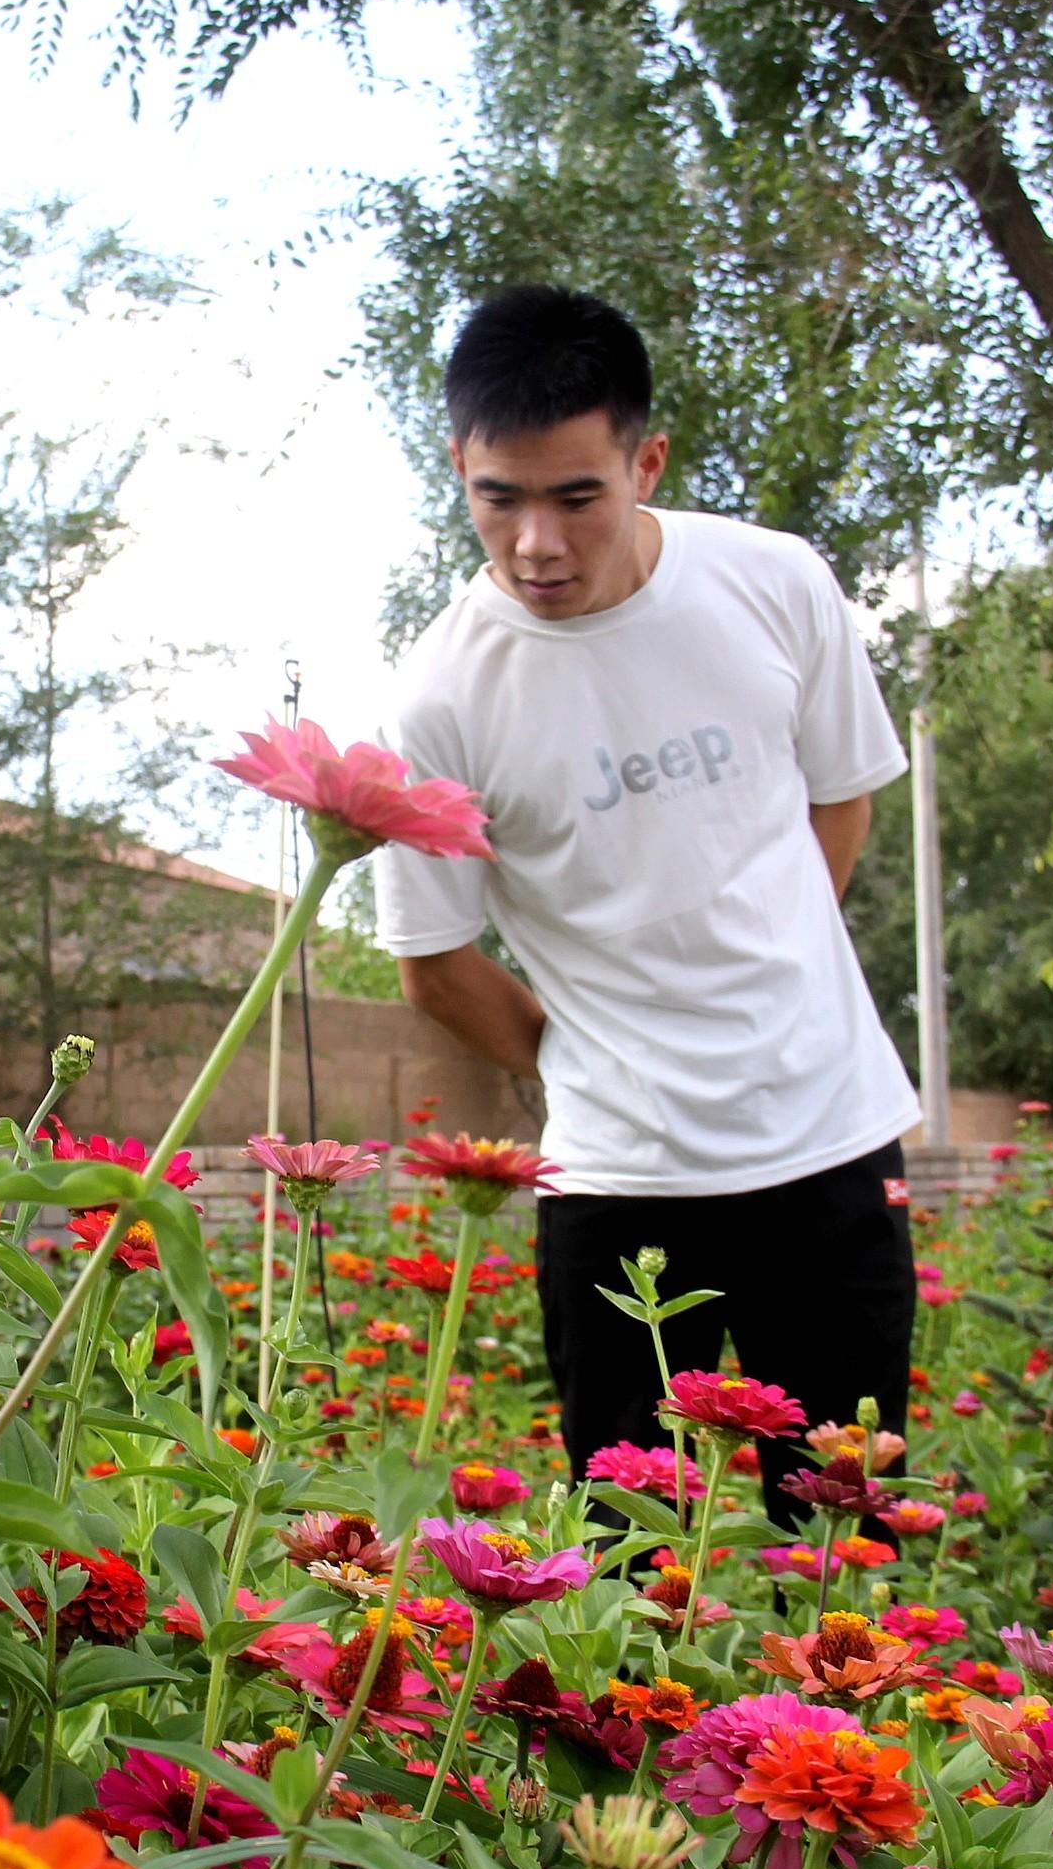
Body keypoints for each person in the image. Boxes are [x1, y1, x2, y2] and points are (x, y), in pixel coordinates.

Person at [373, 285, 920, 1497]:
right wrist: (587, 1062)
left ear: (646, 460)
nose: (536, 545)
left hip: (828, 1140)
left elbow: (842, 798)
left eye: (577, 497)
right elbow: (437, 963)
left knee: (841, 1533)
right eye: (497, 499)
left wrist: (776, 967)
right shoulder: (443, 699)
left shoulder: (774, 583)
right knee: (626, 1556)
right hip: (620, 1180)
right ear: (457, 465)